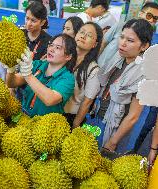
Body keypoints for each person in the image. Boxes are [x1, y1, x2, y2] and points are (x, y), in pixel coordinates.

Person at [97, 19, 153, 151]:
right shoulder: (117, 57)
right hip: (99, 117)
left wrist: (113, 141)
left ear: (144, 46)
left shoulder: (144, 74)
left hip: (116, 129)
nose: (123, 43)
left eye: (130, 40)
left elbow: (133, 116)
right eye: (122, 37)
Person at [6, 34, 76, 117]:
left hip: (44, 126)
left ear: (68, 56)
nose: (51, 49)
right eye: (51, 45)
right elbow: (12, 83)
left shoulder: (68, 79)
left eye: (58, 47)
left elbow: (50, 99)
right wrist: (11, 69)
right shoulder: (37, 65)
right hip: (23, 118)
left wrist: (28, 75)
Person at [64, 22, 102, 128]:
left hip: (70, 117)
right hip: (52, 109)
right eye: (82, 32)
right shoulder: (64, 56)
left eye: (89, 35)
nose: (83, 36)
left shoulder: (94, 70)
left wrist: (76, 124)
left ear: (95, 44)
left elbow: (87, 101)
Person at [98, 2, 158, 67]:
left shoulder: (148, 40)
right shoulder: (121, 25)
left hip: (119, 74)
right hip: (101, 66)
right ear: (140, 13)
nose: (151, 20)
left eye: (155, 18)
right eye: (149, 16)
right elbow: (103, 43)